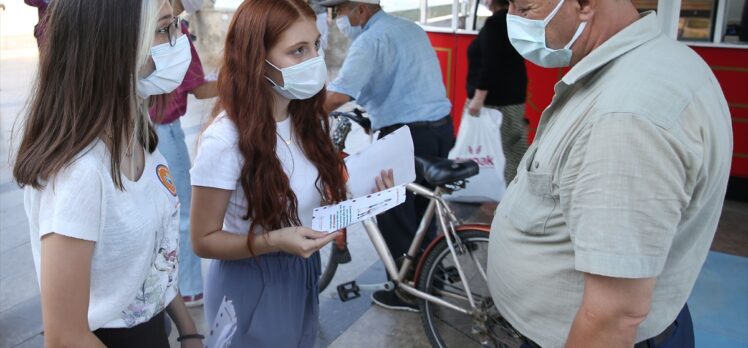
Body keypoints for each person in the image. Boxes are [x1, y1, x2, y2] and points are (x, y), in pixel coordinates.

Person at [486, 0, 732, 347]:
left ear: (584, 5)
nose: (511, 18)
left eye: (525, 8)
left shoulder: (626, 118)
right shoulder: (651, 63)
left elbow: (614, 315)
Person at [189, 0, 392, 346]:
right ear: (258, 60)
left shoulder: (306, 120)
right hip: (252, 279)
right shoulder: (224, 139)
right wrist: (274, 241)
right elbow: (203, 240)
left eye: (316, 45)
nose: (314, 60)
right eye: (297, 51)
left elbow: (311, 201)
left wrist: (364, 197)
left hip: (302, 270)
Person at [14, 0, 205, 347]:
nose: (180, 41)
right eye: (164, 28)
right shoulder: (78, 175)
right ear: (115, 46)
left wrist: (188, 329)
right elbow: (65, 336)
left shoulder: (137, 135)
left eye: (177, 24)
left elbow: (153, 263)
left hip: (152, 330)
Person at [321, 0, 454, 312]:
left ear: (360, 10)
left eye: (340, 11)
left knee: (391, 209)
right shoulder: (410, 28)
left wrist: (296, 117)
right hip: (440, 129)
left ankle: (407, 292)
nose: (338, 18)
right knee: (422, 212)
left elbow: (339, 95)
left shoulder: (370, 40)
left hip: (407, 136)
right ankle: (427, 277)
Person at [149, 11, 218, 308]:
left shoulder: (131, 23)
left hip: (138, 127)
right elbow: (200, 88)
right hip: (164, 130)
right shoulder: (176, 34)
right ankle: (189, 287)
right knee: (183, 211)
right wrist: (240, 79)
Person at [466, 0, 528, 184]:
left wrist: (478, 99)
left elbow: (490, 64)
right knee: (515, 147)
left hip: (495, 102)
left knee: (501, 152)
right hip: (514, 97)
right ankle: (520, 187)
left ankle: (509, 193)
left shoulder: (495, 24)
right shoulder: (513, 21)